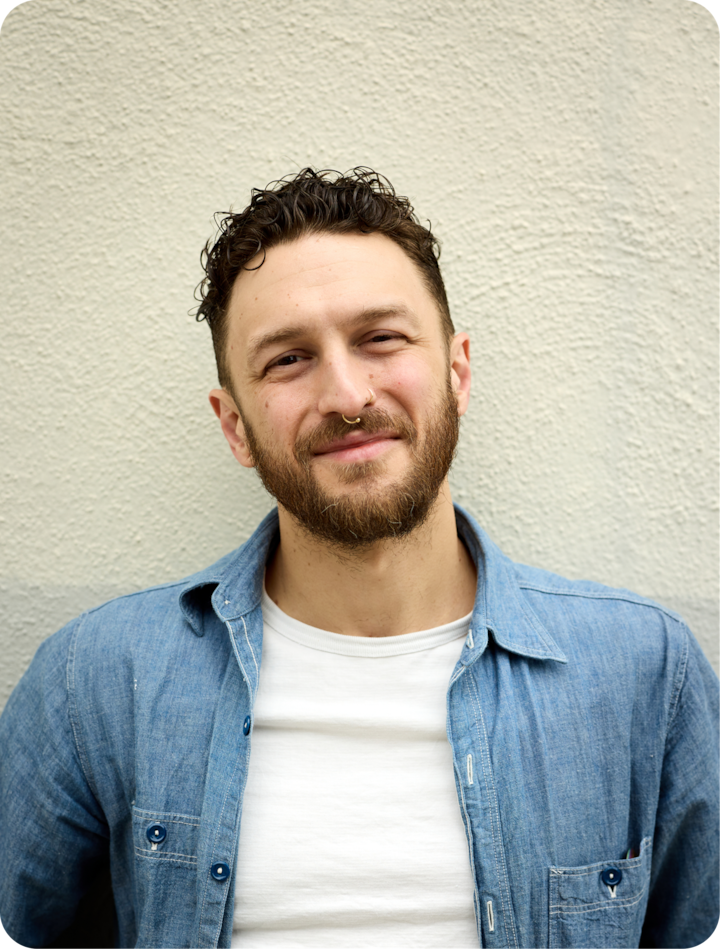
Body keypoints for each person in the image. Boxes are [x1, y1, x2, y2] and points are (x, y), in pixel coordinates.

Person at [0, 167, 718, 949]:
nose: (346, 395)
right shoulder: (97, 680)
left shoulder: (646, 674)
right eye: (288, 359)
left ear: (457, 371)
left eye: (381, 338)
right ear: (235, 426)